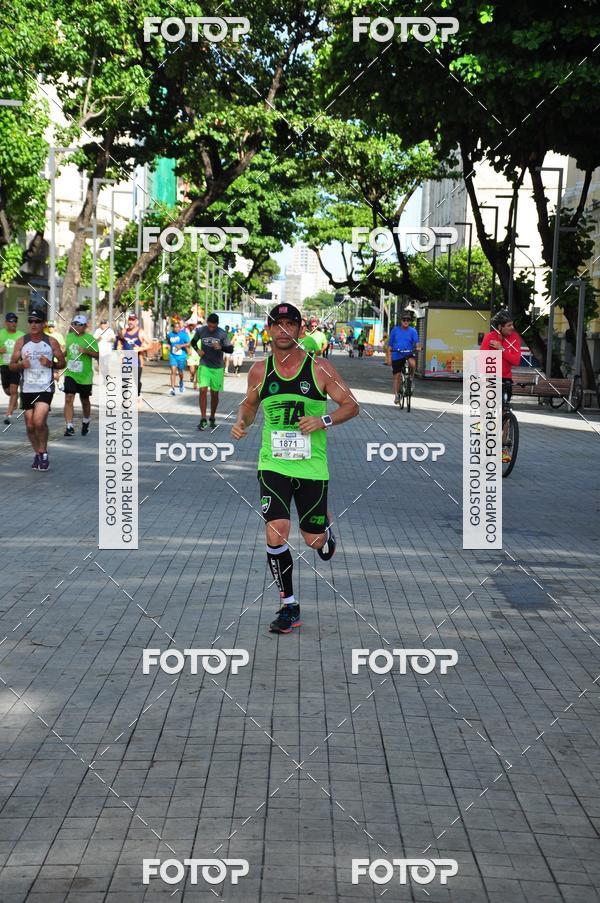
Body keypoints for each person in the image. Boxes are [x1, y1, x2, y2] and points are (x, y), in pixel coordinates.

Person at [231, 303, 359, 634]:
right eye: (278, 324)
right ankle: (289, 605)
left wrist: (323, 419)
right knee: (276, 530)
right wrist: (242, 422)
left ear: (301, 330)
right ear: (269, 330)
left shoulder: (320, 369)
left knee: (313, 540)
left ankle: (325, 532)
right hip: (272, 465)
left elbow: (351, 405)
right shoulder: (260, 370)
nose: (284, 329)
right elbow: (249, 404)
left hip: (312, 468)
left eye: (291, 324)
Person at [9, 307, 65, 470]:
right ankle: (38, 453)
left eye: (37, 321)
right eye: (30, 321)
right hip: (27, 388)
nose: (33, 324)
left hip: (45, 388)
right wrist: (21, 365)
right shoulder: (22, 341)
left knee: (39, 421)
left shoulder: (50, 342)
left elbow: (63, 363)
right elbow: (11, 366)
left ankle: (44, 453)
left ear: (44, 324)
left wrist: (51, 364)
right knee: (30, 426)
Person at [480, 309, 522, 462]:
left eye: (512, 324)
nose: (512, 327)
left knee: (506, 412)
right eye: (509, 325)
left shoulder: (515, 338)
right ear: (500, 327)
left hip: (506, 379)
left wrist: (501, 349)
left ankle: (503, 448)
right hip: (491, 377)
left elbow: (516, 360)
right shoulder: (489, 338)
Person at [191, 313, 234, 430]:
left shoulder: (222, 334)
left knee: (215, 393)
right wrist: (198, 350)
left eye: (213, 327)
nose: (211, 328)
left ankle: (212, 417)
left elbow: (230, 349)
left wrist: (221, 347)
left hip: (218, 368)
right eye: (209, 326)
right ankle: (203, 419)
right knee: (203, 391)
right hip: (204, 365)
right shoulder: (201, 331)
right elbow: (193, 342)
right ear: (207, 323)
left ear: (217, 325)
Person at [63, 314, 99, 436]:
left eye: (80, 325)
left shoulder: (90, 339)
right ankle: (69, 426)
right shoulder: (68, 337)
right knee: (68, 397)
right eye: (75, 324)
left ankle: (86, 421)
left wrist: (86, 351)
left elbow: (98, 355)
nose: (76, 327)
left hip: (85, 376)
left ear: (85, 326)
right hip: (70, 373)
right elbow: (65, 352)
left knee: (85, 400)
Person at [114, 312, 151, 403]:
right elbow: (119, 344)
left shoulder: (141, 332)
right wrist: (120, 352)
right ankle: (125, 401)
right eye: (130, 320)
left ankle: (138, 394)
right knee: (125, 381)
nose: (131, 322)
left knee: (136, 381)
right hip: (126, 360)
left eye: (133, 320)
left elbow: (150, 345)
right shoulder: (124, 331)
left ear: (136, 322)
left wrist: (140, 348)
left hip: (137, 361)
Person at [388, 312, 421, 403]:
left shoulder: (413, 331)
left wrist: (418, 347)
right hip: (397, 354)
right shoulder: (395, 330)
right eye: (404, 320)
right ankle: (396, 396)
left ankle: (411, 380)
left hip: (408, 353)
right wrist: (389, 358)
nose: (406, 321)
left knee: (413, 364)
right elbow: (390, 345)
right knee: (397, 376)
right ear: (401, 321)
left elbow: (417, 342)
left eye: (408, 320)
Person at [0, 312, 24, 424]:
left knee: (13, 389)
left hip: (15, 366)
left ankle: (8, 415)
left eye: (15, 321)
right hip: (4, 366)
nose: (13, 323)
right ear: (6, 323)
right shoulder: (1, 334)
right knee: (7, 391)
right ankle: (15, 397)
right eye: (11, 321)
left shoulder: (21, 335)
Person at [166, 316, 190, 395]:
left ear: (180, 328)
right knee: (173, 371)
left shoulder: (183, 335)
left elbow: (189, 343)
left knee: (180, 372)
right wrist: (168, 346)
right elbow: (169, 342)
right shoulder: (170, 335)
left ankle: (181, 382)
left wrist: (181, 346)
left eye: (178, 327)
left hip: (181, 356)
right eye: (175, 327)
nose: (176, 328)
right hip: (172, 355)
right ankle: (172, 389)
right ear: (173, 328)